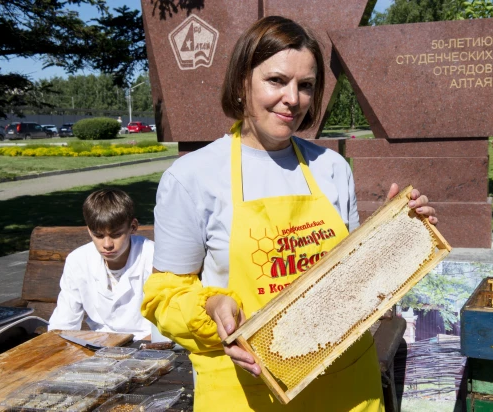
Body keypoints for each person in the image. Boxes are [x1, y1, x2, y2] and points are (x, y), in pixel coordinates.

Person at [142, 16, 437, 411]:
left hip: (347, 387)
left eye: (306, 86)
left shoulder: (332, 167)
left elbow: (349, 279)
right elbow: (164, 296)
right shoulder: (192, 177)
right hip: (247, 392)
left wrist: (393, 234)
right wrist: (211, 308)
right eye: (276, 81)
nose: (293, 99)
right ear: (242, 82)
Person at [49, 188, 154, 340]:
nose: (107, 244)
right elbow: (64, 322)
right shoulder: (78, 260)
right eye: (98, 235)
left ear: (133, 227)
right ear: (89, 231)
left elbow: (167, 324)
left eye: (116, 235)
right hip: (99, 344)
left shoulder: (152, 256)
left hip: (147, 344)